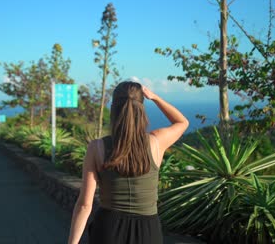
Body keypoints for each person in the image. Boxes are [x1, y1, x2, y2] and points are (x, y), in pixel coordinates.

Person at [67, 81, 189, 244]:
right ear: (142, 109)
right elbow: (182, 122)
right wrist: (155, 97)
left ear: (113, 109)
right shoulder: (157, 142)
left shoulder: (97, 148)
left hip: (108, 230)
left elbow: (84, 205)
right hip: (148, 232)